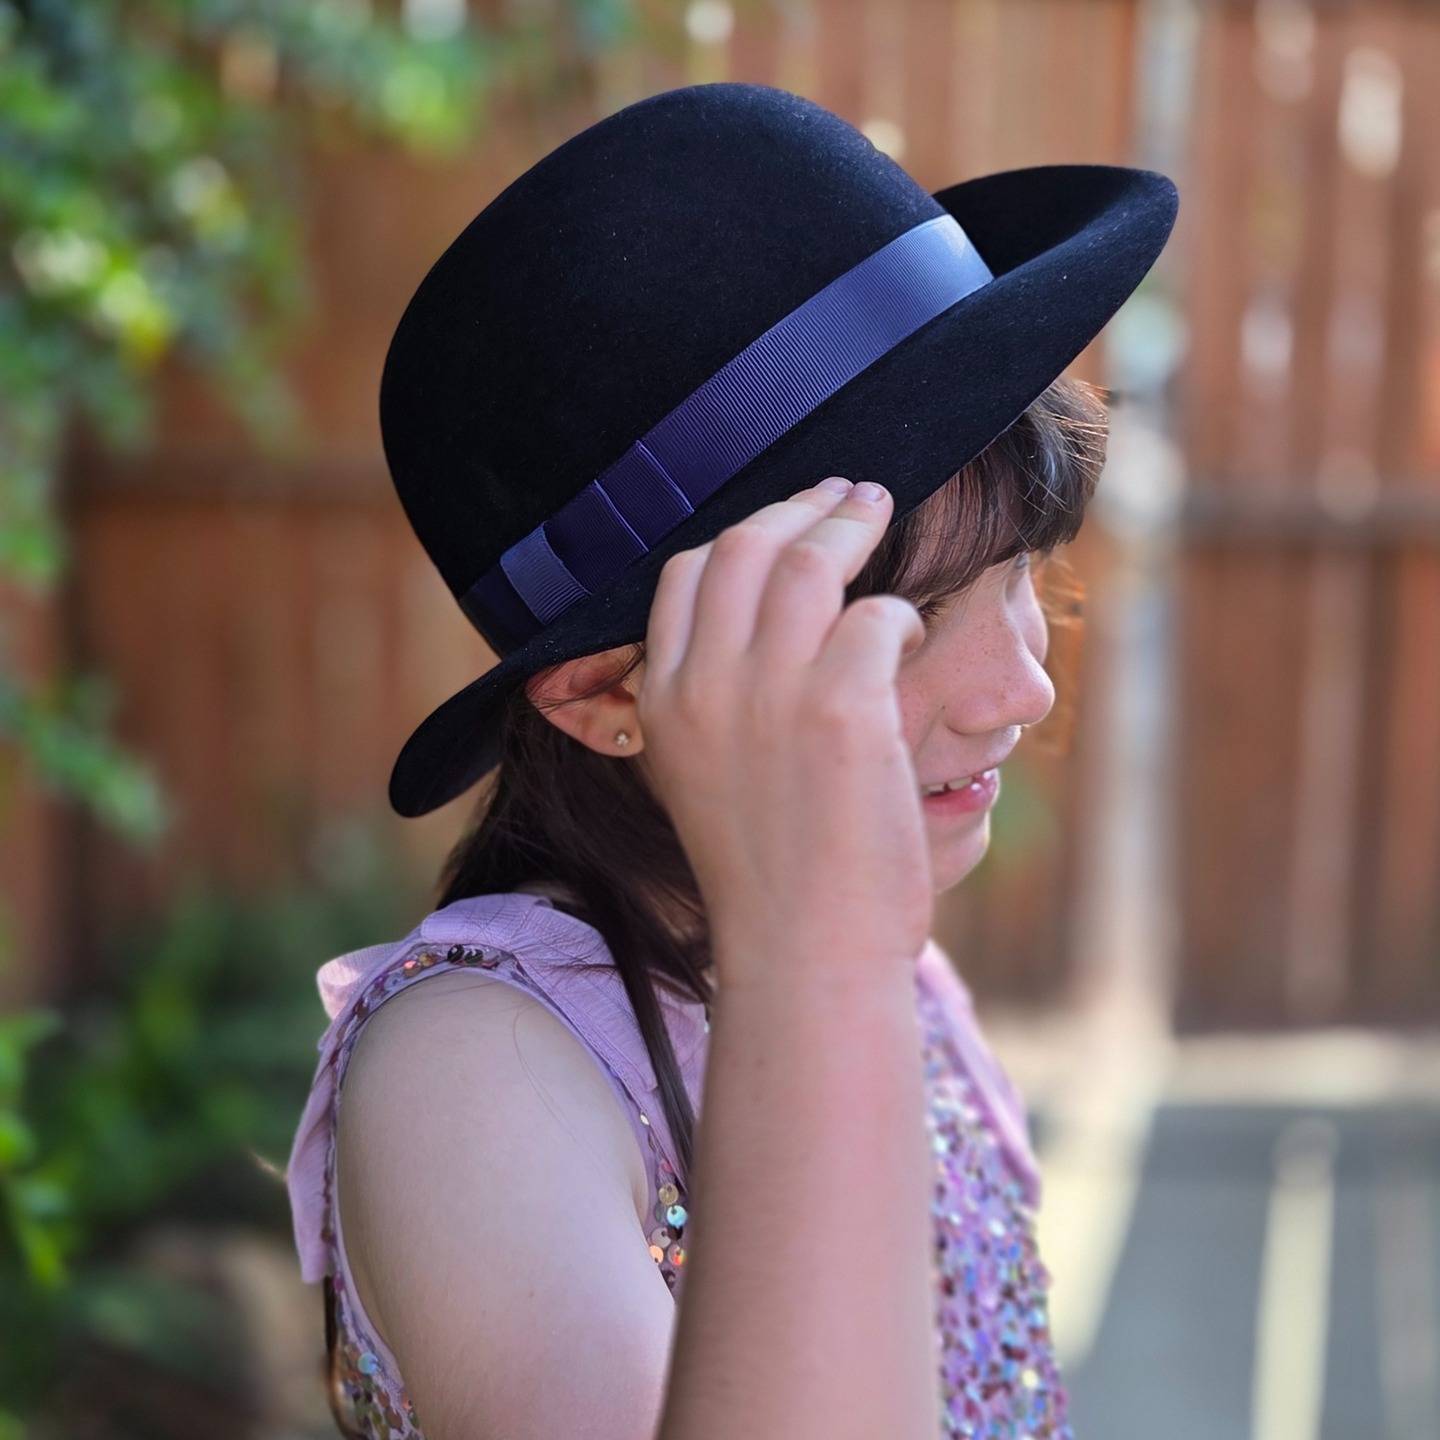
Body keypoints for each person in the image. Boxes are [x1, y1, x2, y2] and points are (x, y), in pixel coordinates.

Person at [284, 82, 1178, 1440]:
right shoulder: (479, 1073)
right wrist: (811, 950)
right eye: (906, 618)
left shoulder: (900, 974)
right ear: (605, 692)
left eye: (1026, 579)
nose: (1027, 688)